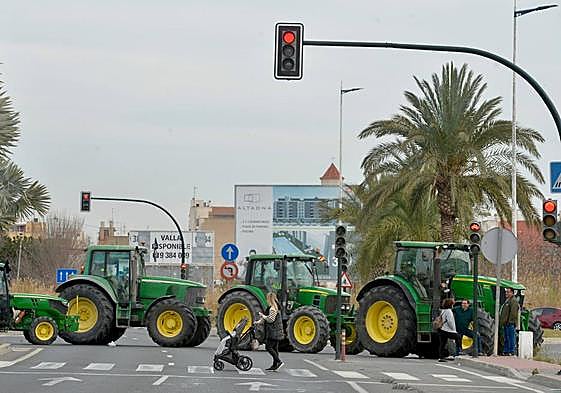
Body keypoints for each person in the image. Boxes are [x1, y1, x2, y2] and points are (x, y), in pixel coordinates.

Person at [255, 292, 284, 371]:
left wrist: (262, 316)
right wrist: (258, 322)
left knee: (268, 347)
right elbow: (267, 319)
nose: (266, 300)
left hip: (273, 332)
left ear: (269, 299)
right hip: (276, 331)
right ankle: (275, 365)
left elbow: (270, 320)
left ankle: (278, 361)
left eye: (267, 298)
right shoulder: (275, 307)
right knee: (275, 348)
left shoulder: (272, 309)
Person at [437, 298, 462, 362]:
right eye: (452, 304)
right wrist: (454, 330)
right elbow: (450, 322)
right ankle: (459, 351)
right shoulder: (449, 311)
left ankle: (441, 357)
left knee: (442, 344)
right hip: (447, 330)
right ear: (450, 304)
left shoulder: (443, 311)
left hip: (441, 329)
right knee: (458, 337)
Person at [500, 287, 519, 356]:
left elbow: (513, 313)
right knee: (506, 338)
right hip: (505, 323)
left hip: (510, 323)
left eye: (508, 292)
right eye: (506, 292)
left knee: (511, 337)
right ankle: (506, 351)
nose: (506, 293)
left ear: (512, 293)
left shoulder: (513, 301)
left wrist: (510, 321)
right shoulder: (507, 300)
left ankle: (511, 351)